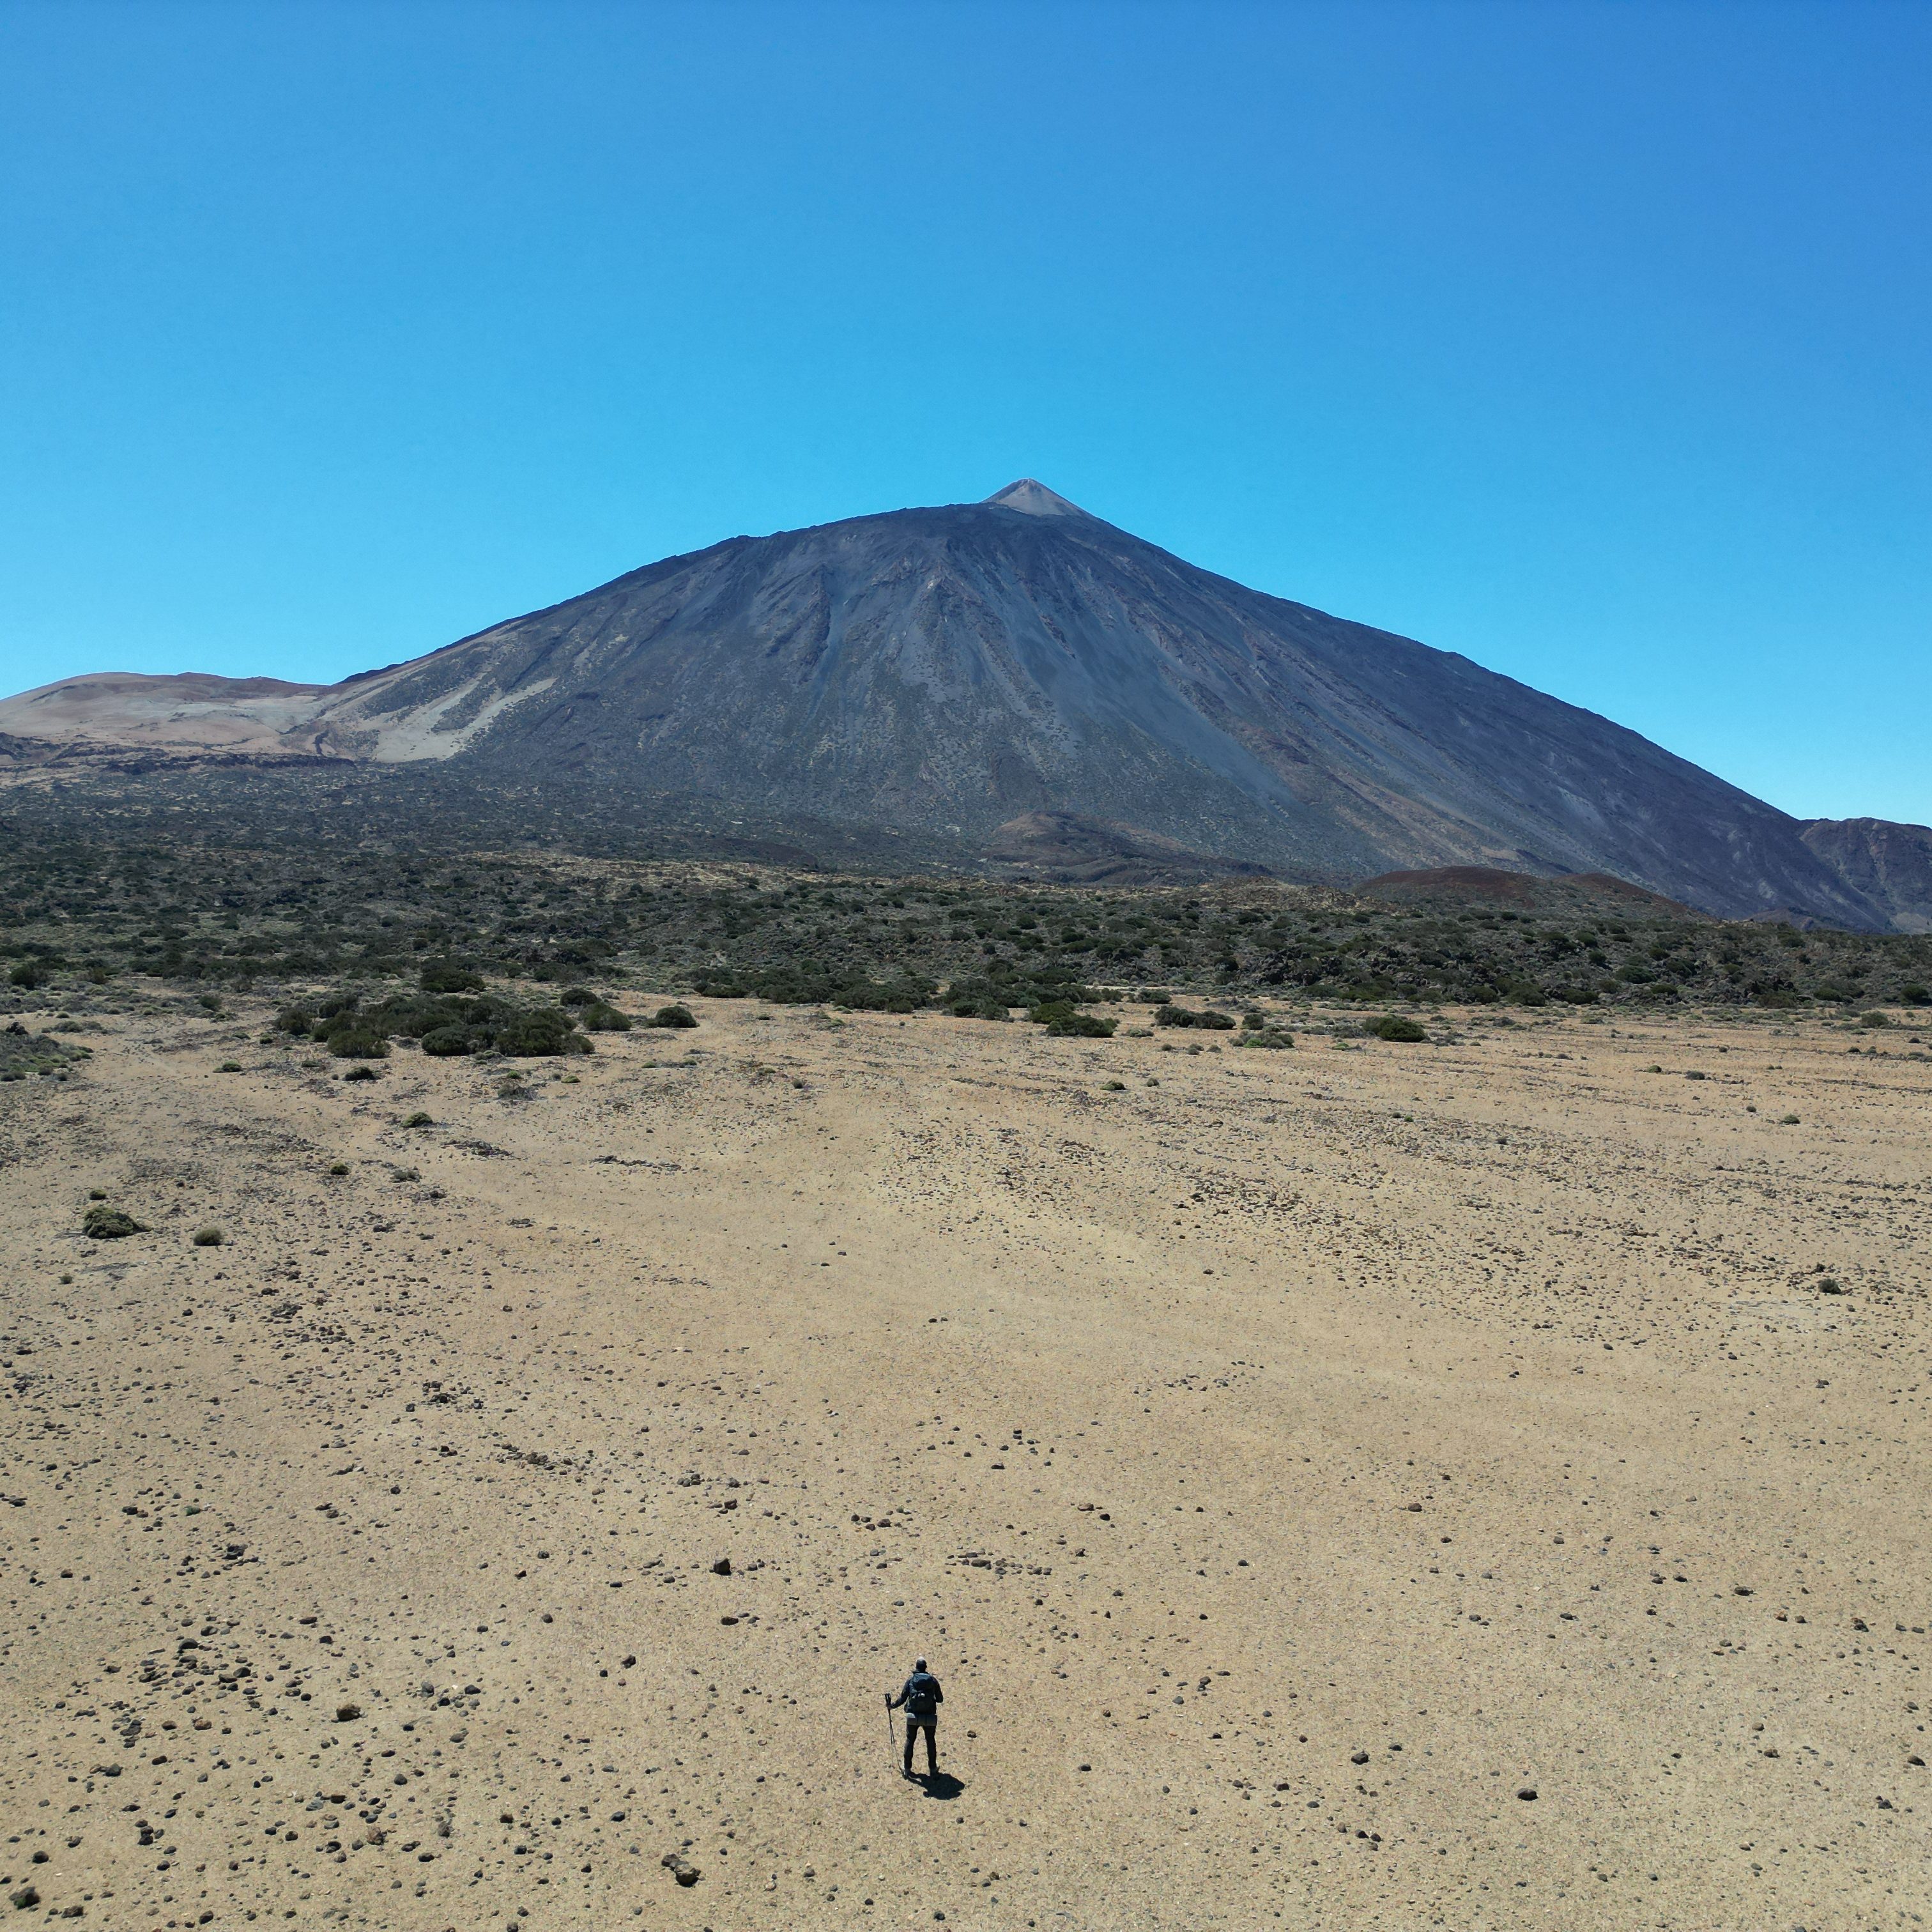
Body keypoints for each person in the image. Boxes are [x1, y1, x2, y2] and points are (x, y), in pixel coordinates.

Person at [886, 1657, 943, 1777]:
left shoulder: (911, 1680)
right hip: (929, 1717)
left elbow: (903, 1698)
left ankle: (907, 1769)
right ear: (925, 1668)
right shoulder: (933, 1681)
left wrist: (891, 1706)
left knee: (910, 1740)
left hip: (913, 1716)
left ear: (916, 1667)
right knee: (930, 1741)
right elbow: (940, 1699)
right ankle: (933, 1768)